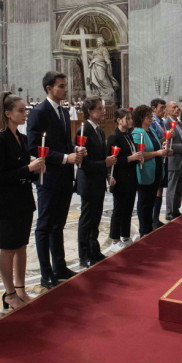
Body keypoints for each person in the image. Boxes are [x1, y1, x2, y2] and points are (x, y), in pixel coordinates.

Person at [0, 92, 45, 310]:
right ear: (8, 113)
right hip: (6, 200)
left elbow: (25, 172)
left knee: (22, 246)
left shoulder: (21, 138)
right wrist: (28, 168)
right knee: (8, 248)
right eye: (21, 110)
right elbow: (0, 176)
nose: (25, 114)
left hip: (23, 198)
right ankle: (9, 293)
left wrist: (36, 170)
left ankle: (20, 288)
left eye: (25, 111)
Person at [26, 72, 83, 289]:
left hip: (64, 176)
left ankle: (60, 267)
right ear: (49, 88)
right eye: (61, 86)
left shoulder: (64, 111)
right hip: (48, 176)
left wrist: (74, 149)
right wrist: (63, 157)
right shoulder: (39, 112)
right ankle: (45, 273)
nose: (65, 90)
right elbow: (33, 146)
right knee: (45, 225)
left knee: (59, 224)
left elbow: (64, 143)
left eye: (65, 85)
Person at [75, 96, 116, 268]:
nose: (103, 111)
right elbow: (82, 163)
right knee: (87, 219)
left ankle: (94, 249)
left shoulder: (99, 130)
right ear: (90, 111)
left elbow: (99, 157)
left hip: (98, 180)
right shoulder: (82, 130)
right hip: (88, 182)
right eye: (100, 108)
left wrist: (107, 173)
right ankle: (84, 255)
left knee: (96, 218)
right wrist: (104, 163)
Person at [107, 108, 143, 252]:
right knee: (119, 209)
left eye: (130, 118)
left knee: (128, 208)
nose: (130, 121)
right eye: (127, 118)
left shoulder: (128, 136)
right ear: (119, 120)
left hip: (131, 177)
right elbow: (112, 160)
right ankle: (115, 239)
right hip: (120, 178)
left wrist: (137, 157)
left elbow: (132, 154)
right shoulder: (114, 138)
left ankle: (125, 236)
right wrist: (131, 158)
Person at [132, 105, 168, 237]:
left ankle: (149, 228)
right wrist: (157, 152)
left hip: (156, 171)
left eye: (151, 116)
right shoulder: (137, 132)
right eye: (149, 116)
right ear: (141, 118)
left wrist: (162, 148)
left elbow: (155, 147)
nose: (151, 118)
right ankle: (144, 230)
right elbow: (140, 154)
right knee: (144, 203)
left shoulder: (150, 131)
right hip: (145, 172)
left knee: (151, 201)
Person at [164, 101, 182, 221]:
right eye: (174, 107)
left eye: (178, 107)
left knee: (179, 187)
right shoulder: (166, 123)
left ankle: (176, 210)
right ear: (167, 110)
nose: (177, 109)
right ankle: (169, 212)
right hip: (173, 160)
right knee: (172, 188)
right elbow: (167, 145)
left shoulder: (178, 123)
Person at [149, 98, 167, 228]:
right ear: (154, 109)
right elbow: (154, 142)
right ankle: (152, 219)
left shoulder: (162, 122)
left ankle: (156, 218)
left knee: (160, 189)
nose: (163, 110)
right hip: (155, 157)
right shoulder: (153, 122)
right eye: (161, 108)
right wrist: (165, 138)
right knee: (154, 190)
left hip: (162, 158)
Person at [86, 38, 120, 102]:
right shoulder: (95, 50)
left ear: (102, 42)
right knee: (94, 79)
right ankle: (98, 92)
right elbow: (93, 57)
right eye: (97, 41)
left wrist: (108, 61)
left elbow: (106, 56)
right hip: (94, 65)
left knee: (101, 78)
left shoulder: (104, 49)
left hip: (101, 65)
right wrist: (87, 55)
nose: (98, 42)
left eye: (99, 41)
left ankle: (108, 91)